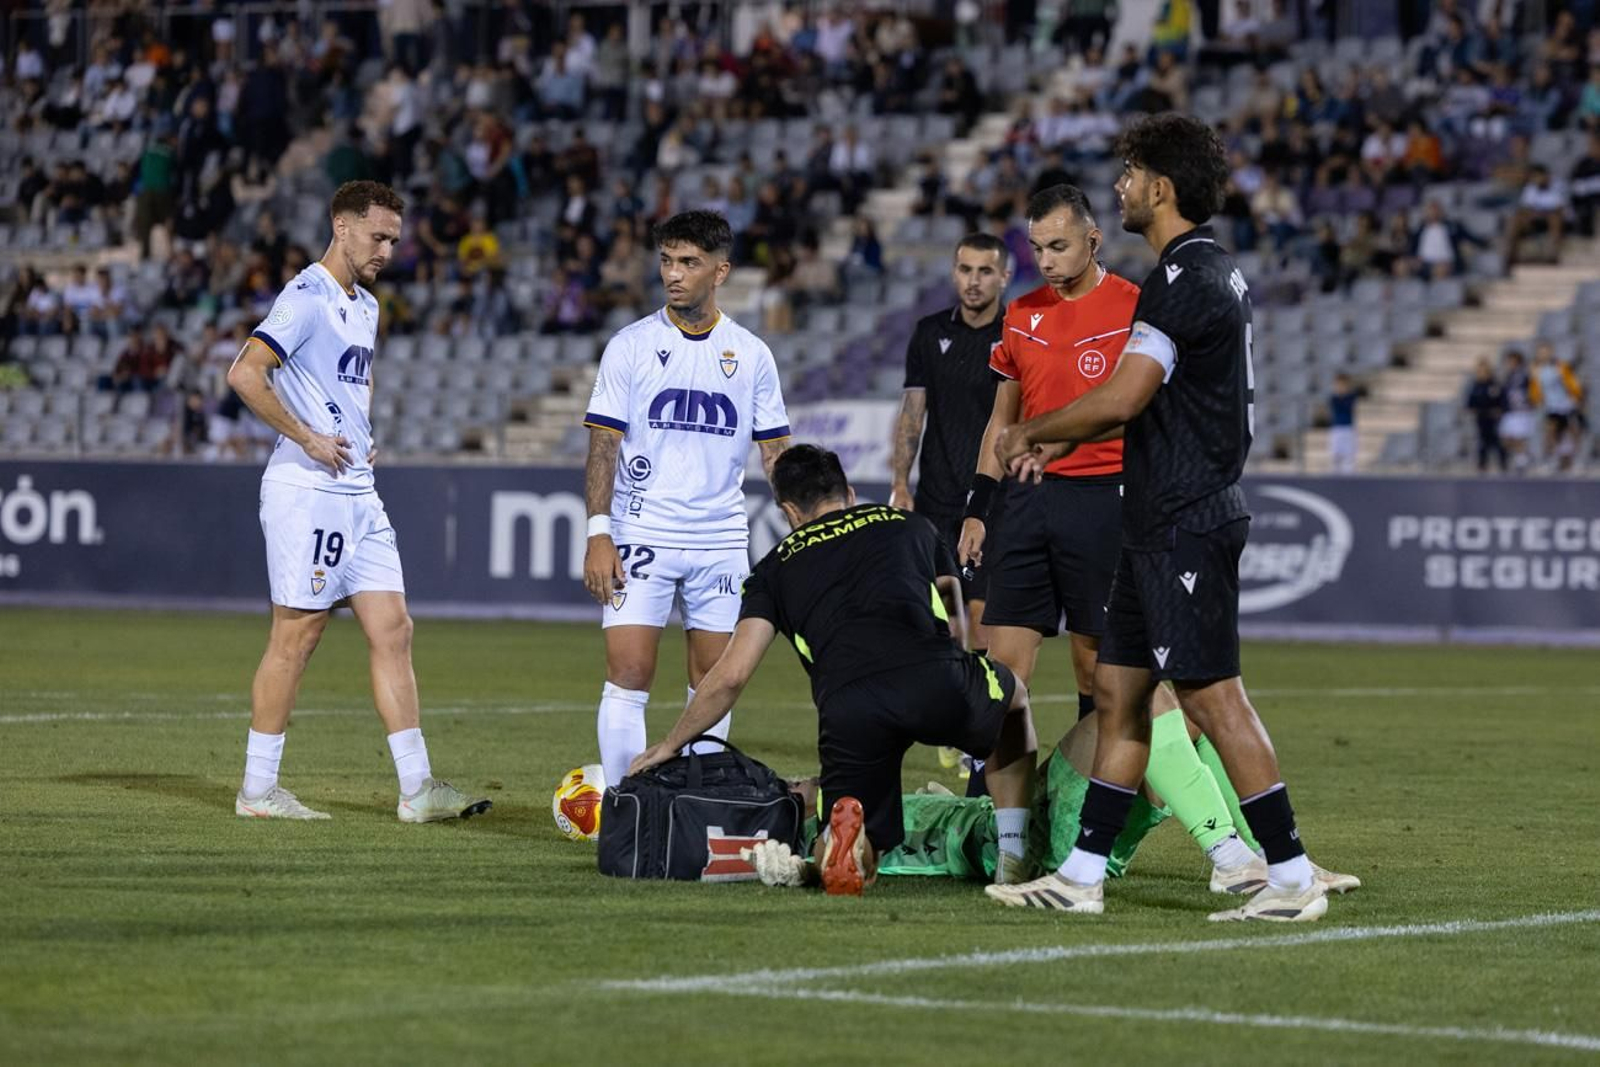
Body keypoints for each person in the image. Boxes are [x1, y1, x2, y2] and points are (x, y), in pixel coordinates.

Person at [990, 113, 1332, 922]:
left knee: (1213, 698)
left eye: (1131, 173)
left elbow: (1123, 397)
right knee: (1120, 693)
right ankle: (1081, 874)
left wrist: (1030, 431)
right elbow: (1138, 406)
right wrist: (1060, 440)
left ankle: (1289, 875)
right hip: (1153, 524)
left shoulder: (1182, 280)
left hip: (1184, 517)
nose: (1120, 186)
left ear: (1162, 188)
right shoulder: (1204, 271)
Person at [959, 184, 1264, 883]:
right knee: (1001, 679)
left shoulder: (1136, 304)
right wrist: (980, 504)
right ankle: (1012, 846)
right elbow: (1002, 421)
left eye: (1058, 245)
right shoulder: (1021, 316)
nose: (1046, 259)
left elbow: (1138, 406)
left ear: (1093, 241)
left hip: (1107, 501)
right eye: (1036, 248)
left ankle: (1223, 843)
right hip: (1026, 506)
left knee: (1116, 678)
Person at [629, 446, 1041, 895]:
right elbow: (953, 610)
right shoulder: (910, 525)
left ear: (789, 511)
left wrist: (671, 743)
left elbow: (731, 674)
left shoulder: (773, 569)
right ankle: (1012, 852)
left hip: (850, 708)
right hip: (932, 675)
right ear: (848, 493)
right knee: (1015, 698)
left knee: (865, 846)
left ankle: (833, 854)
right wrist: (961, 683)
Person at [226, 180, 490, 823]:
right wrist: (308, 436)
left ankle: (417, 789)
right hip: (308, 490)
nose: (387, 251)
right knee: (297, 634)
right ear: (341, 227)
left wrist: (361, 438)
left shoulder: (366, 306)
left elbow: (353, 383)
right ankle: (257, 791)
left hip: (357, 490)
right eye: (378, 237)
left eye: (394, 240)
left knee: (394, 628)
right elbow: (244, 373)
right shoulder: (306, 296)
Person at [581, 210, 791, 789]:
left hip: (720, 538)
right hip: (641, 530)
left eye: (689, 263)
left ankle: (699, 802)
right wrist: (598, 533)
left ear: (720, 271)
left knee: (713, 679)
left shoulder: (751, 354)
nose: (673, 274)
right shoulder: (630, 346)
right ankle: (624, 805)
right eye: (667, 261)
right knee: (628, 672)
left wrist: (806, 528)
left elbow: (776, 453)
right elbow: (603, 446)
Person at [888, 233, 1012, 669]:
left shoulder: (1015, 335)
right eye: (965, 270)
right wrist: (900, 484)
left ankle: (986, 703)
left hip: (993, 498)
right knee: (942, 618)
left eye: (985, 271)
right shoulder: (930, 333)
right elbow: (912, 414)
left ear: (1004, 277)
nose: (973, 281)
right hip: (936, 496)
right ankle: (953, 704)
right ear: (954, 273)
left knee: (982, 620)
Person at [1465, 358, 1508, 473]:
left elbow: (1502, 400)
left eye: (1484, 371)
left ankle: (1503, 463)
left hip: (1493, 418)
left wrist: (1499, 410)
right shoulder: (1476, 385)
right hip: (1481, 417)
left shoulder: (1494, 384)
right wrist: (1472, 409)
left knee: (1497, 441)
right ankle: (1482, 464)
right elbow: (1470, 401)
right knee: (1482, 441)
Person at [1327, 372, 1360, 474]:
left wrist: (1344, 394)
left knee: (1349, 458)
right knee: (1335, 457)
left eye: (1343, 384)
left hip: (1348, 429)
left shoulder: (1351, 397)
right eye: (1338, 384)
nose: (1341, 387)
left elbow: (1347, 407)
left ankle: (1349, 479)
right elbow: (1335, 407)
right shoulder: (1333, 398)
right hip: (1337, 429)